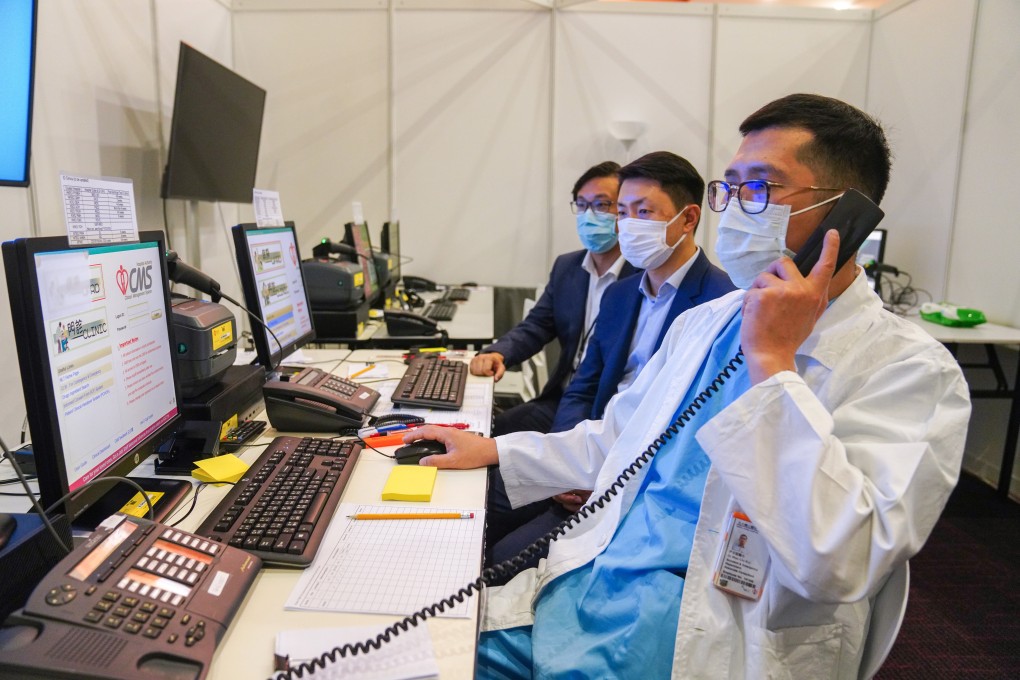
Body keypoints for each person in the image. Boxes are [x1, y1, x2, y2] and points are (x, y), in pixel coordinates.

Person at [404, 93, 971, 678]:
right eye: (732, 187)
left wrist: (773, 363)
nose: (738, 210)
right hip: (595, 594)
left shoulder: (910, 370)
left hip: (705, 639)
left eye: (762, 187)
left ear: (844, 219)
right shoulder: (709, 322)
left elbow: (839, 561)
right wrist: (495, 450)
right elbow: (621, 439)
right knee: (397, 647)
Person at [486, 152, 734, 573]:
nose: (627, 224)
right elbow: (583, 387)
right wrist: (565, 467)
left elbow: (693, 432)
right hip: (587, 453)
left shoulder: (720, 303)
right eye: (622, 211)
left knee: (500, 562)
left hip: (638, 477)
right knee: (477, 502)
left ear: (688, 219)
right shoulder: (620, 294)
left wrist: (604, 475)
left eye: (644, 212)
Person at [471, 161, 637, 436]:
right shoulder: (567, 267)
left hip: (606, 411)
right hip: (560, 398)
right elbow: (536, 325)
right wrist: (498, 353)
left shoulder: (642, 277)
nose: (589, 215)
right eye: (582, 205)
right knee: (487, 434)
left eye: (601, 205)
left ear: (623, 211)